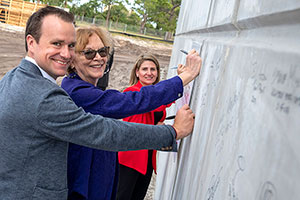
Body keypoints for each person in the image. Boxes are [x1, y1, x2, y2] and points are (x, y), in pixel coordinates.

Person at [0, 6, 201, 200]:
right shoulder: (47, 96)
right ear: (31, 42)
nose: (66, 53)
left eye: (70, 46)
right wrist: (173, 132)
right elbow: (108, 130)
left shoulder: (14, 78)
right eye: (56, 44)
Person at [61, 27, 202, 200]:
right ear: (72, 60)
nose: (98, 58)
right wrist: (183, 80)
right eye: (89, 53)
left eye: (103, 51)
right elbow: (131, 101)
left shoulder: (82, 87)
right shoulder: (78, 92)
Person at [117, 54, 173, 200]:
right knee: (122, 196)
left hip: (147, 156)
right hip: (131, 156)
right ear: (137, 72)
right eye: (145, 69)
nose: (149, 73)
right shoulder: (132, 92)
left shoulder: (156, 94)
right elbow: (153, 103)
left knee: (138, 196)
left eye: (153, 69)